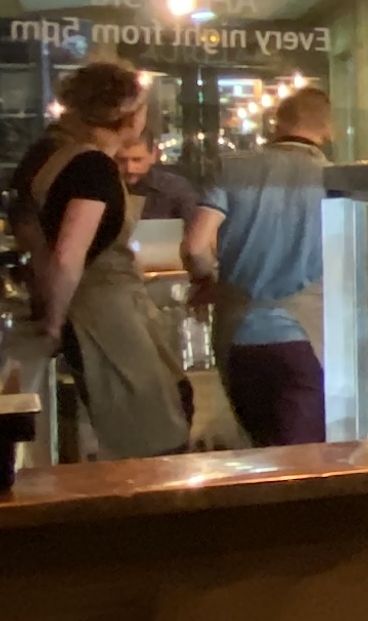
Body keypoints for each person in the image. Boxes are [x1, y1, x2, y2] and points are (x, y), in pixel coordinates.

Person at [17, 59, 191, 459]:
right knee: (154, 435)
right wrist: (54, 322)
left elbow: (33, 238)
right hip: (103, 316)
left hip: (86, 309)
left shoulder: (47, 153)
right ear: (129, 115)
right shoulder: (91, 167)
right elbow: (68, 256)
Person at [186, 82, 336, 446]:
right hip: (308, 339)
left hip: (237, 339)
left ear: (276, 122)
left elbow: (194, 247)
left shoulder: (230, 169)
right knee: (303, 463)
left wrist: (210, 281)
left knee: (261, 453)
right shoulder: (336, 180)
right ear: (327, 129)